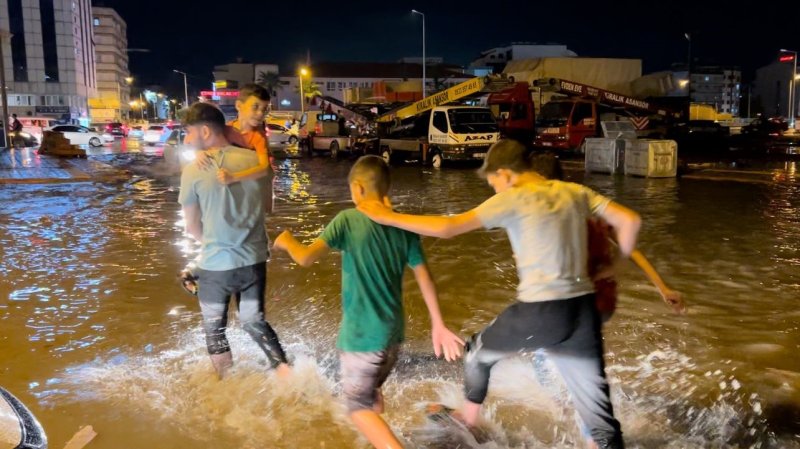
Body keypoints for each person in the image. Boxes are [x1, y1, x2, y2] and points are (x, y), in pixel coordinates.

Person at [358, 139, 641, 449]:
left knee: (476, 355)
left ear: (506, 174)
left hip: (541, 312)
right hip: (584, 313)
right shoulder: (576, 192)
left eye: (493, 183)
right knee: (602, 424)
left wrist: (385, 217)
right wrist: (616, 267)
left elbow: (449, 227)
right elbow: (630, 220)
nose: (494, 191)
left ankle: (469, 422)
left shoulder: (514, 197)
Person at [272, 155, 464, 449]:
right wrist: (438, 323)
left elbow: (306, 258)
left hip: (362, 337)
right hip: (393, 337)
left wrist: (286, 241)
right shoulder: (403, 225)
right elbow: (426, 277)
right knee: (370, 397)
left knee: (357, 408)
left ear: (358, 189)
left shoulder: (347, 220)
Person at [178, 103, 290, 379]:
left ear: (205, 131)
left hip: (217, 267)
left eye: (189, 133)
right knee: (253, 322)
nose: (187, 140)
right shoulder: (257, 162)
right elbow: (268, 208)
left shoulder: (193, 171)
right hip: (254, 262)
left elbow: (192, 227)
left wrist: (213, 247)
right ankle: (288, 374)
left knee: (215, 329)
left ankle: (228, 388)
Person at [528, 152, 685, 320]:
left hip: (585, 300)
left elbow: (629, 249)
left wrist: (663, 289)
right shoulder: (580, 204)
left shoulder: (581, 209)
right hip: (592, 300)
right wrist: (663, 289)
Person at [196, 84, 273, 185]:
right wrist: (199, 153)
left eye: (264, 109)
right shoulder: (224, 130)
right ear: (239, 106)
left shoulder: (259, 137)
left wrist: (233, 177)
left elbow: (264, 168)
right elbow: (207, 146)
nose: (260, 113)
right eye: (255, 107)